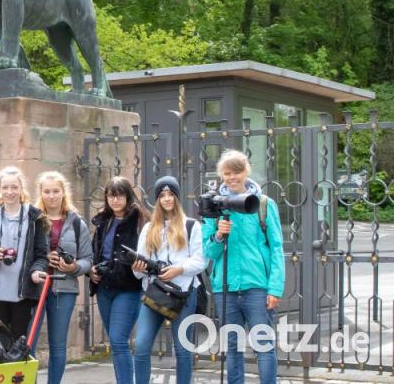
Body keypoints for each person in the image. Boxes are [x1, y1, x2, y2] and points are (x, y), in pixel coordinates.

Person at [202, 150, 284, 384]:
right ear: (221, 176)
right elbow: (208, 252)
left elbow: (277, 248)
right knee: (232, 347)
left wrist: (275, 288)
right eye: (227, 173)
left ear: (246, 171)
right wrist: (218, 235)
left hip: (257, 286)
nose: (232, 177)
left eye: (236, 172)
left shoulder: (265, 205)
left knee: (264, 345)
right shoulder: (215, 207)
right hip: (224, 287)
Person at [132, 175, 207, 384]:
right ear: (157, 200)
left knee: (182, 350)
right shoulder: (149, 229)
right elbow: (139, 271)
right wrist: (138, 268)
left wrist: (179, 269)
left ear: (177, 198)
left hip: (183, 293)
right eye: (162, 196)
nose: (166, 199)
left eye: (170, 195)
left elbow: (201, 261)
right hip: (155, 293)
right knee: (141, 346)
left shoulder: (192, 226)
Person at [0, 166, 49, 341]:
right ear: (0, 189)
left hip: (23, 293)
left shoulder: (35, 217)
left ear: (21, 189)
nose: (10, 192)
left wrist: (36, 271)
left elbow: (41, 255)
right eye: (5, 187)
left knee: (18, 342)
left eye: (14, 187)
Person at [29, 171, 93, 384]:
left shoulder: (77, 223)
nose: (51, 196)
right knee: (29, 343)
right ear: (40, 193)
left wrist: (73, 266)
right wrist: (41, 257)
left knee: (58, 344)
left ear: (63, 192)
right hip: (35, 288)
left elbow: (87, 260)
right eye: (46, 191)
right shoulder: (32, 220)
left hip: (64, 290)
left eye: (56, 191)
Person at [89, 176, 148, 384]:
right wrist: (92, 270)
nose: (115, 200)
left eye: (119, 195)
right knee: (116, 343)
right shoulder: (103, 220)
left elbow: (147, 254)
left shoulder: (140, 220)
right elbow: (96, 251)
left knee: (118, 339)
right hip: (104, 287)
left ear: (128, 196)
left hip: (128, 288)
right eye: (111, 196)